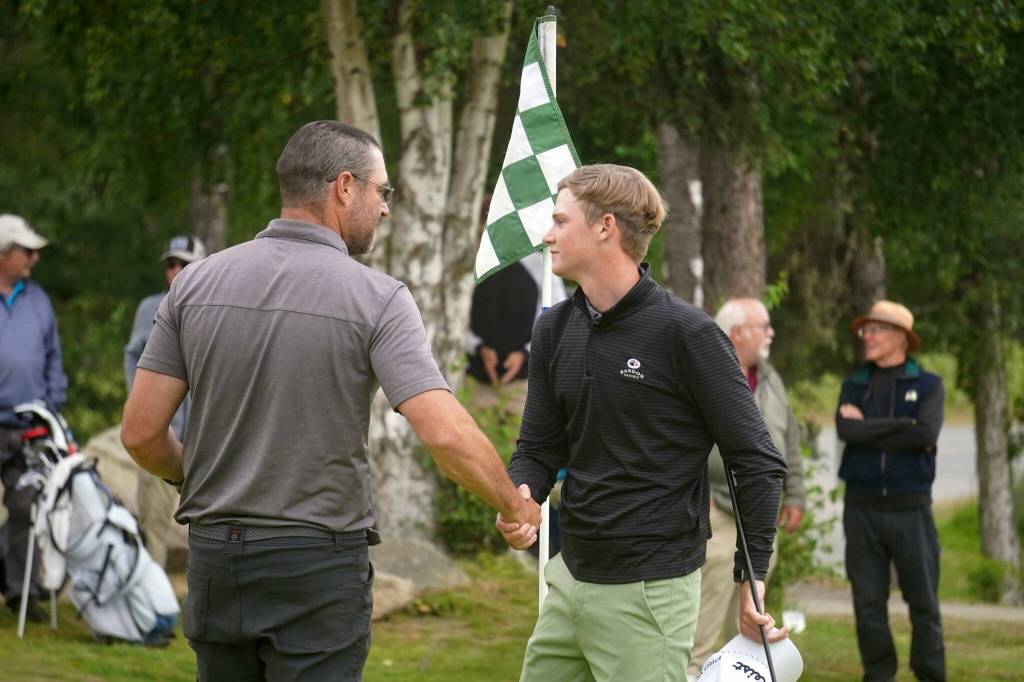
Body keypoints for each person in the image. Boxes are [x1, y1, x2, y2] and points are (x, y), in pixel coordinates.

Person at [120, 121, 541, 681]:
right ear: (345, 187)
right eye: (381, 191)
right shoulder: (378, 297)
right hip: (316, 564)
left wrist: (190, 477)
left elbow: (141, 433)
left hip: (216, 556)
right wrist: (514, 506)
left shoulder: (193, 286)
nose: (385, 208)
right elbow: (441, 431)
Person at [498, 164, 788, 682]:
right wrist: (522, 497)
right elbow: (539, 446)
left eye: (561, 221)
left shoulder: (688, 335)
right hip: (568, 576)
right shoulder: (552, 328)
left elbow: (758, 462)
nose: (547, 235)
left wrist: (751, 581)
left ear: (605, 227)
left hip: (650, 592)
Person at [688, 297, 806, 677]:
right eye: (763, 326)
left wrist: (796, 494)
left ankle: (735, 673)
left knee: (750, 609)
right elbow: (683, 443)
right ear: (737, 332)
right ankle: (693, 672)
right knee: (706, 613)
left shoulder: (770, 379)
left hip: (760, 511)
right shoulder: (704, 374)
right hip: (717, 509)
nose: (771, 333)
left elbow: (788, 440)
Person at [837, 300, 945, 681]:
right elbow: (846, 431)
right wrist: (901, 425)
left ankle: (930, 674)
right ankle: (878, 674)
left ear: (901, 338)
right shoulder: (854, 384)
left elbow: (926, 434)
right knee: (868, 604)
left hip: (911, 509)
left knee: (924, 604)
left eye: (876, 330)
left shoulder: (929, 385)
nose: (867, 336)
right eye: (866, 330)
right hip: (861, 508)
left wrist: (870, 427)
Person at [124, 235, 207, 567]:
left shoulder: (218, 306)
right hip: (161, 438)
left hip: (205, 440)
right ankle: (154, 603)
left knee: (207, 524)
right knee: (154, 522)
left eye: (184, 263)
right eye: (170, 264)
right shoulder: (149, 308)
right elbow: (132, 354)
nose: (175, 270)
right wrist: (139, 399)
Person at [0, 213, 67, 622]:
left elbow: (53, 360)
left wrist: (52, 407)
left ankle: (20, 594)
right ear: (4, 254)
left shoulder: (38, 300)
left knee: (26, 508)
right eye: (27, 251)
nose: (34, 258)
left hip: (29, 426)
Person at [465, 251, 568, 414]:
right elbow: (455, 317)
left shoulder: (542, 263)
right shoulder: (471, 258)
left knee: (518, 438)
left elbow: (559, 316)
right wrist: (478, 348)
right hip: (476, 379)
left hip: (524, 384)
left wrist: (525, 353)